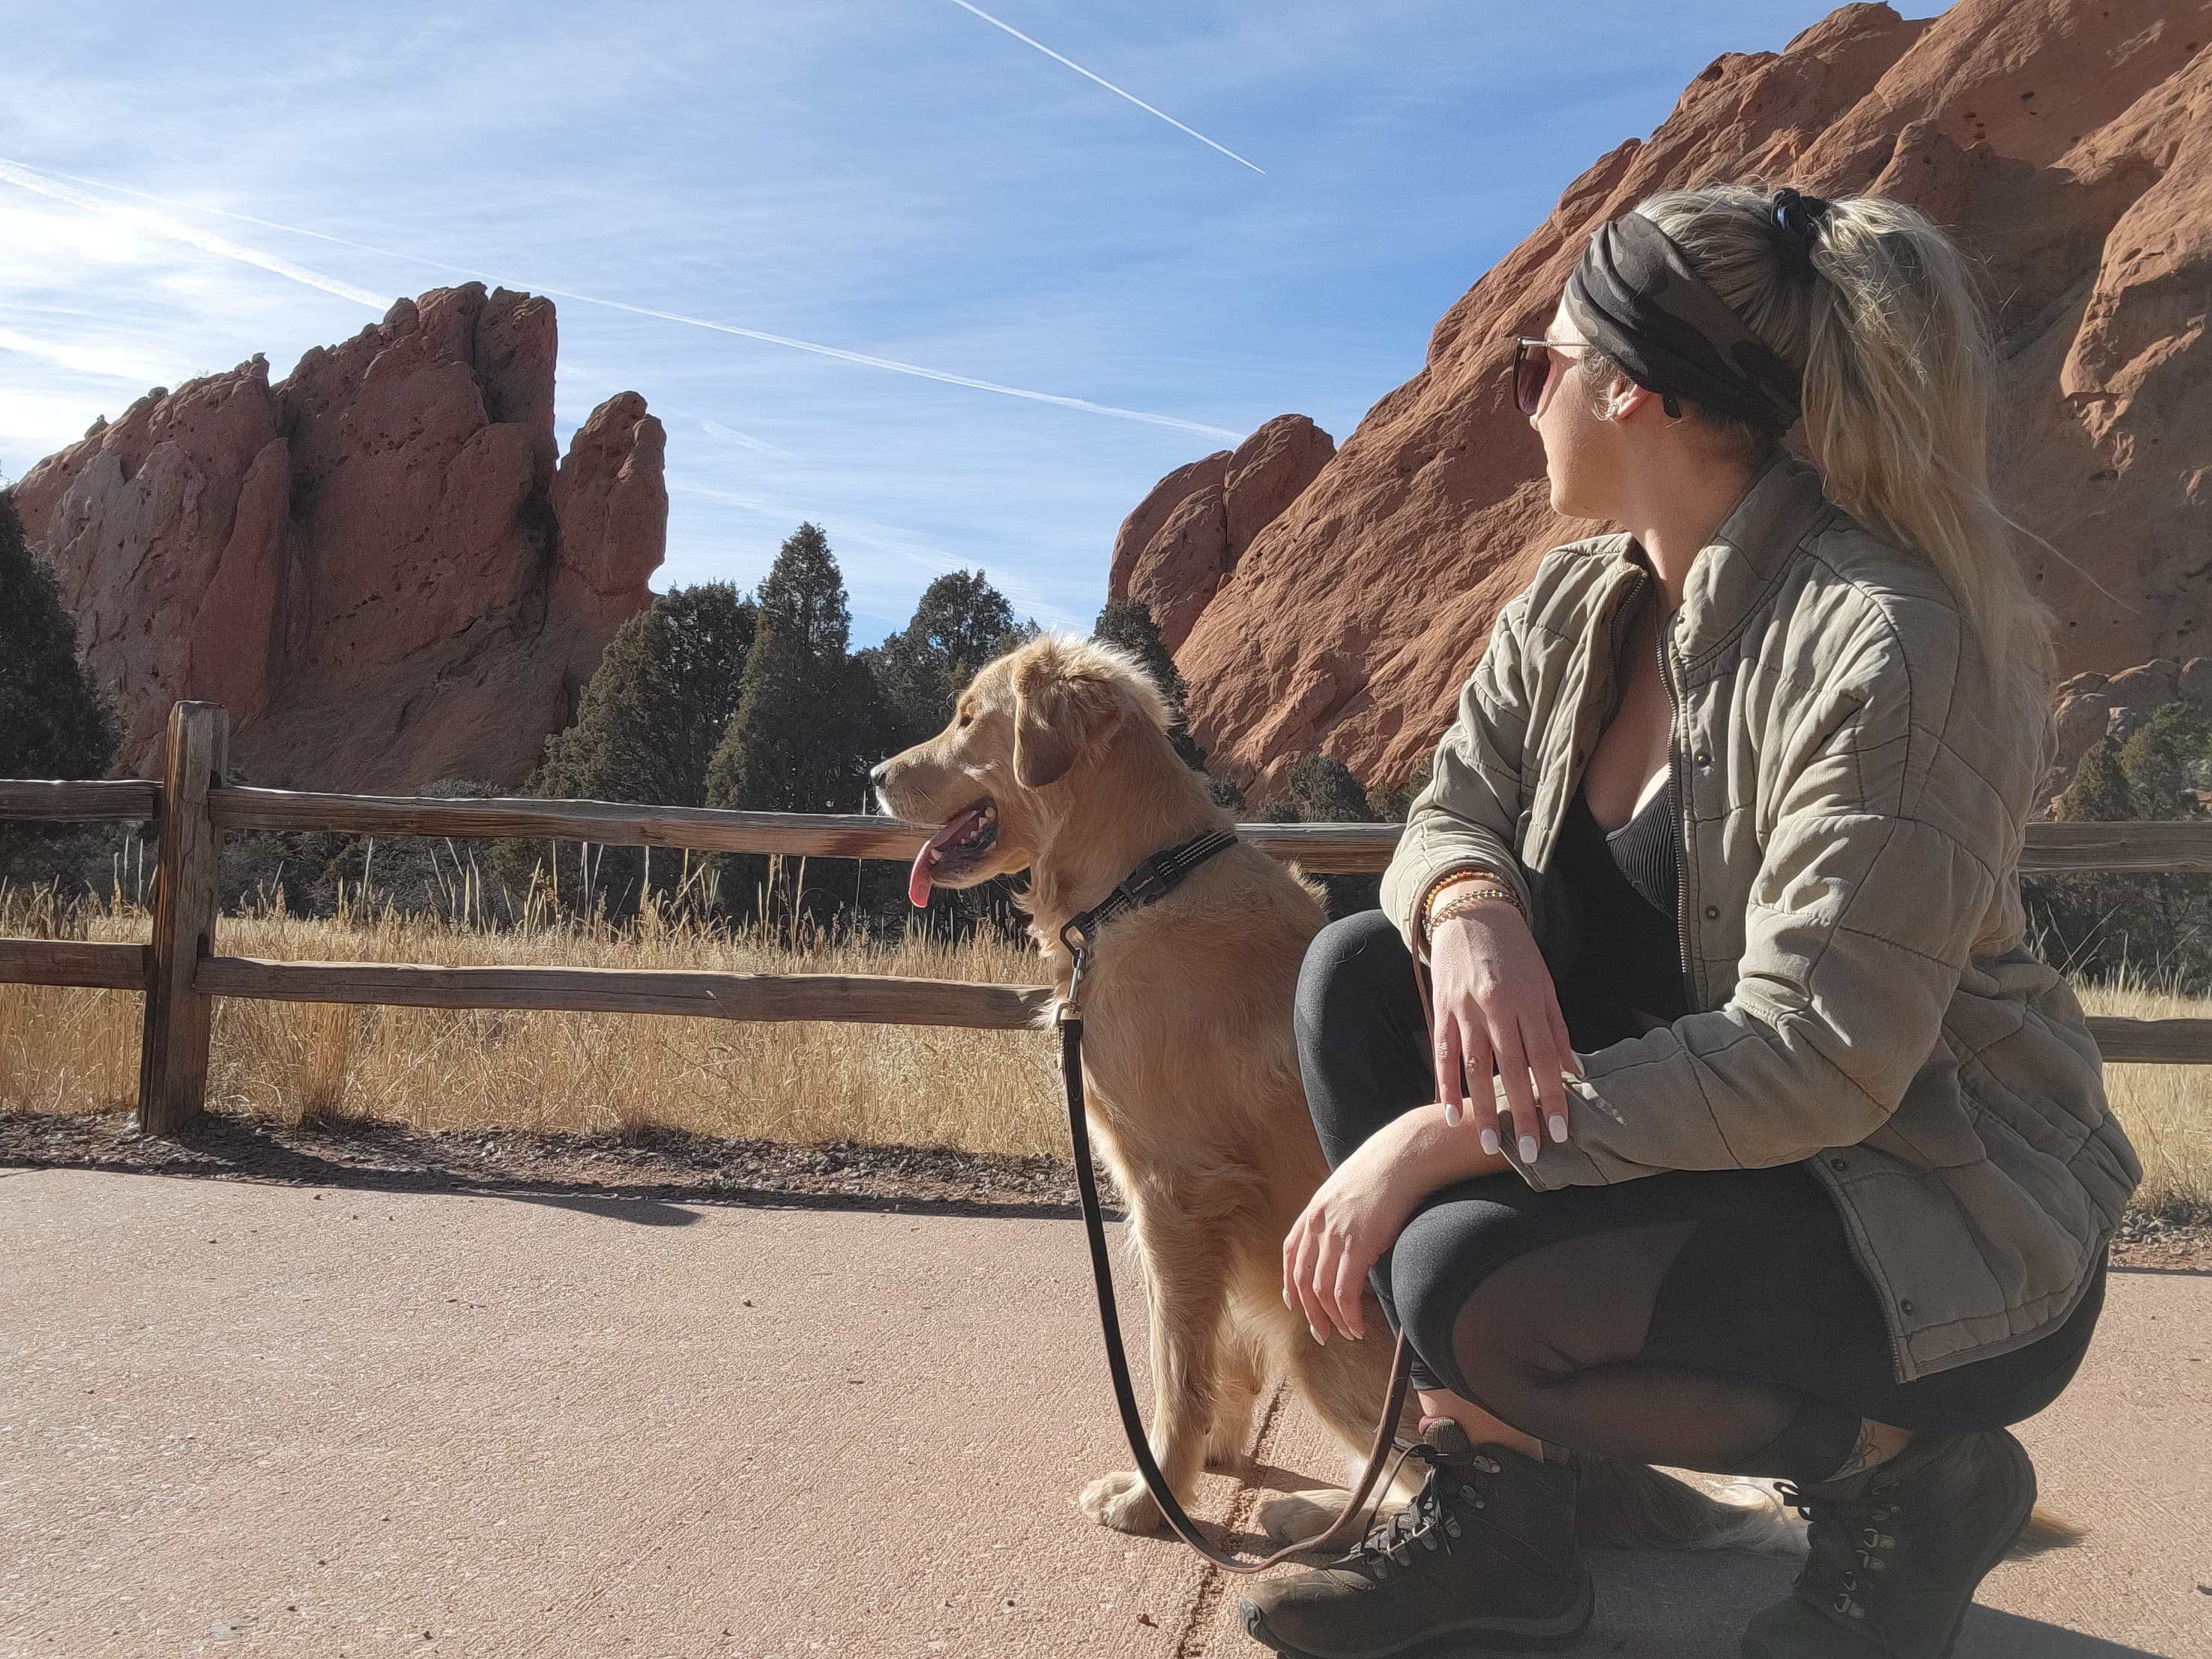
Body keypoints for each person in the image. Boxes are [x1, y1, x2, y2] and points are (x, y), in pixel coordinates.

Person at [1239, 184, 2141, 1659]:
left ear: (1633, 391)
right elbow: (1444, 807)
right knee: (1357, 973)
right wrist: (1465, 906)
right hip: (1696, 1151)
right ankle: (1511, 1531)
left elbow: (1817, 1057)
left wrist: (1435, 1140)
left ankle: (1910, 1480)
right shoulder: (1576, 605)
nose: (1519, 393)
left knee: (1459, 1282)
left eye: (1537, 361)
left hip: (1914, 1202)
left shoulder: (1879, 640)